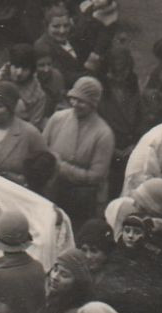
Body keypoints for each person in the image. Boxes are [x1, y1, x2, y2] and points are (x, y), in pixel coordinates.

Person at [41, 76, 115, 225]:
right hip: (52, 191)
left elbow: (96, 176)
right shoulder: (57, 119)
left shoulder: (103, 133)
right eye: (73, 99)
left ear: (93, 104)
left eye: (81, 101)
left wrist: (61, 167)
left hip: (82, 200)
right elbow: (41, 150)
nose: (75, 104)